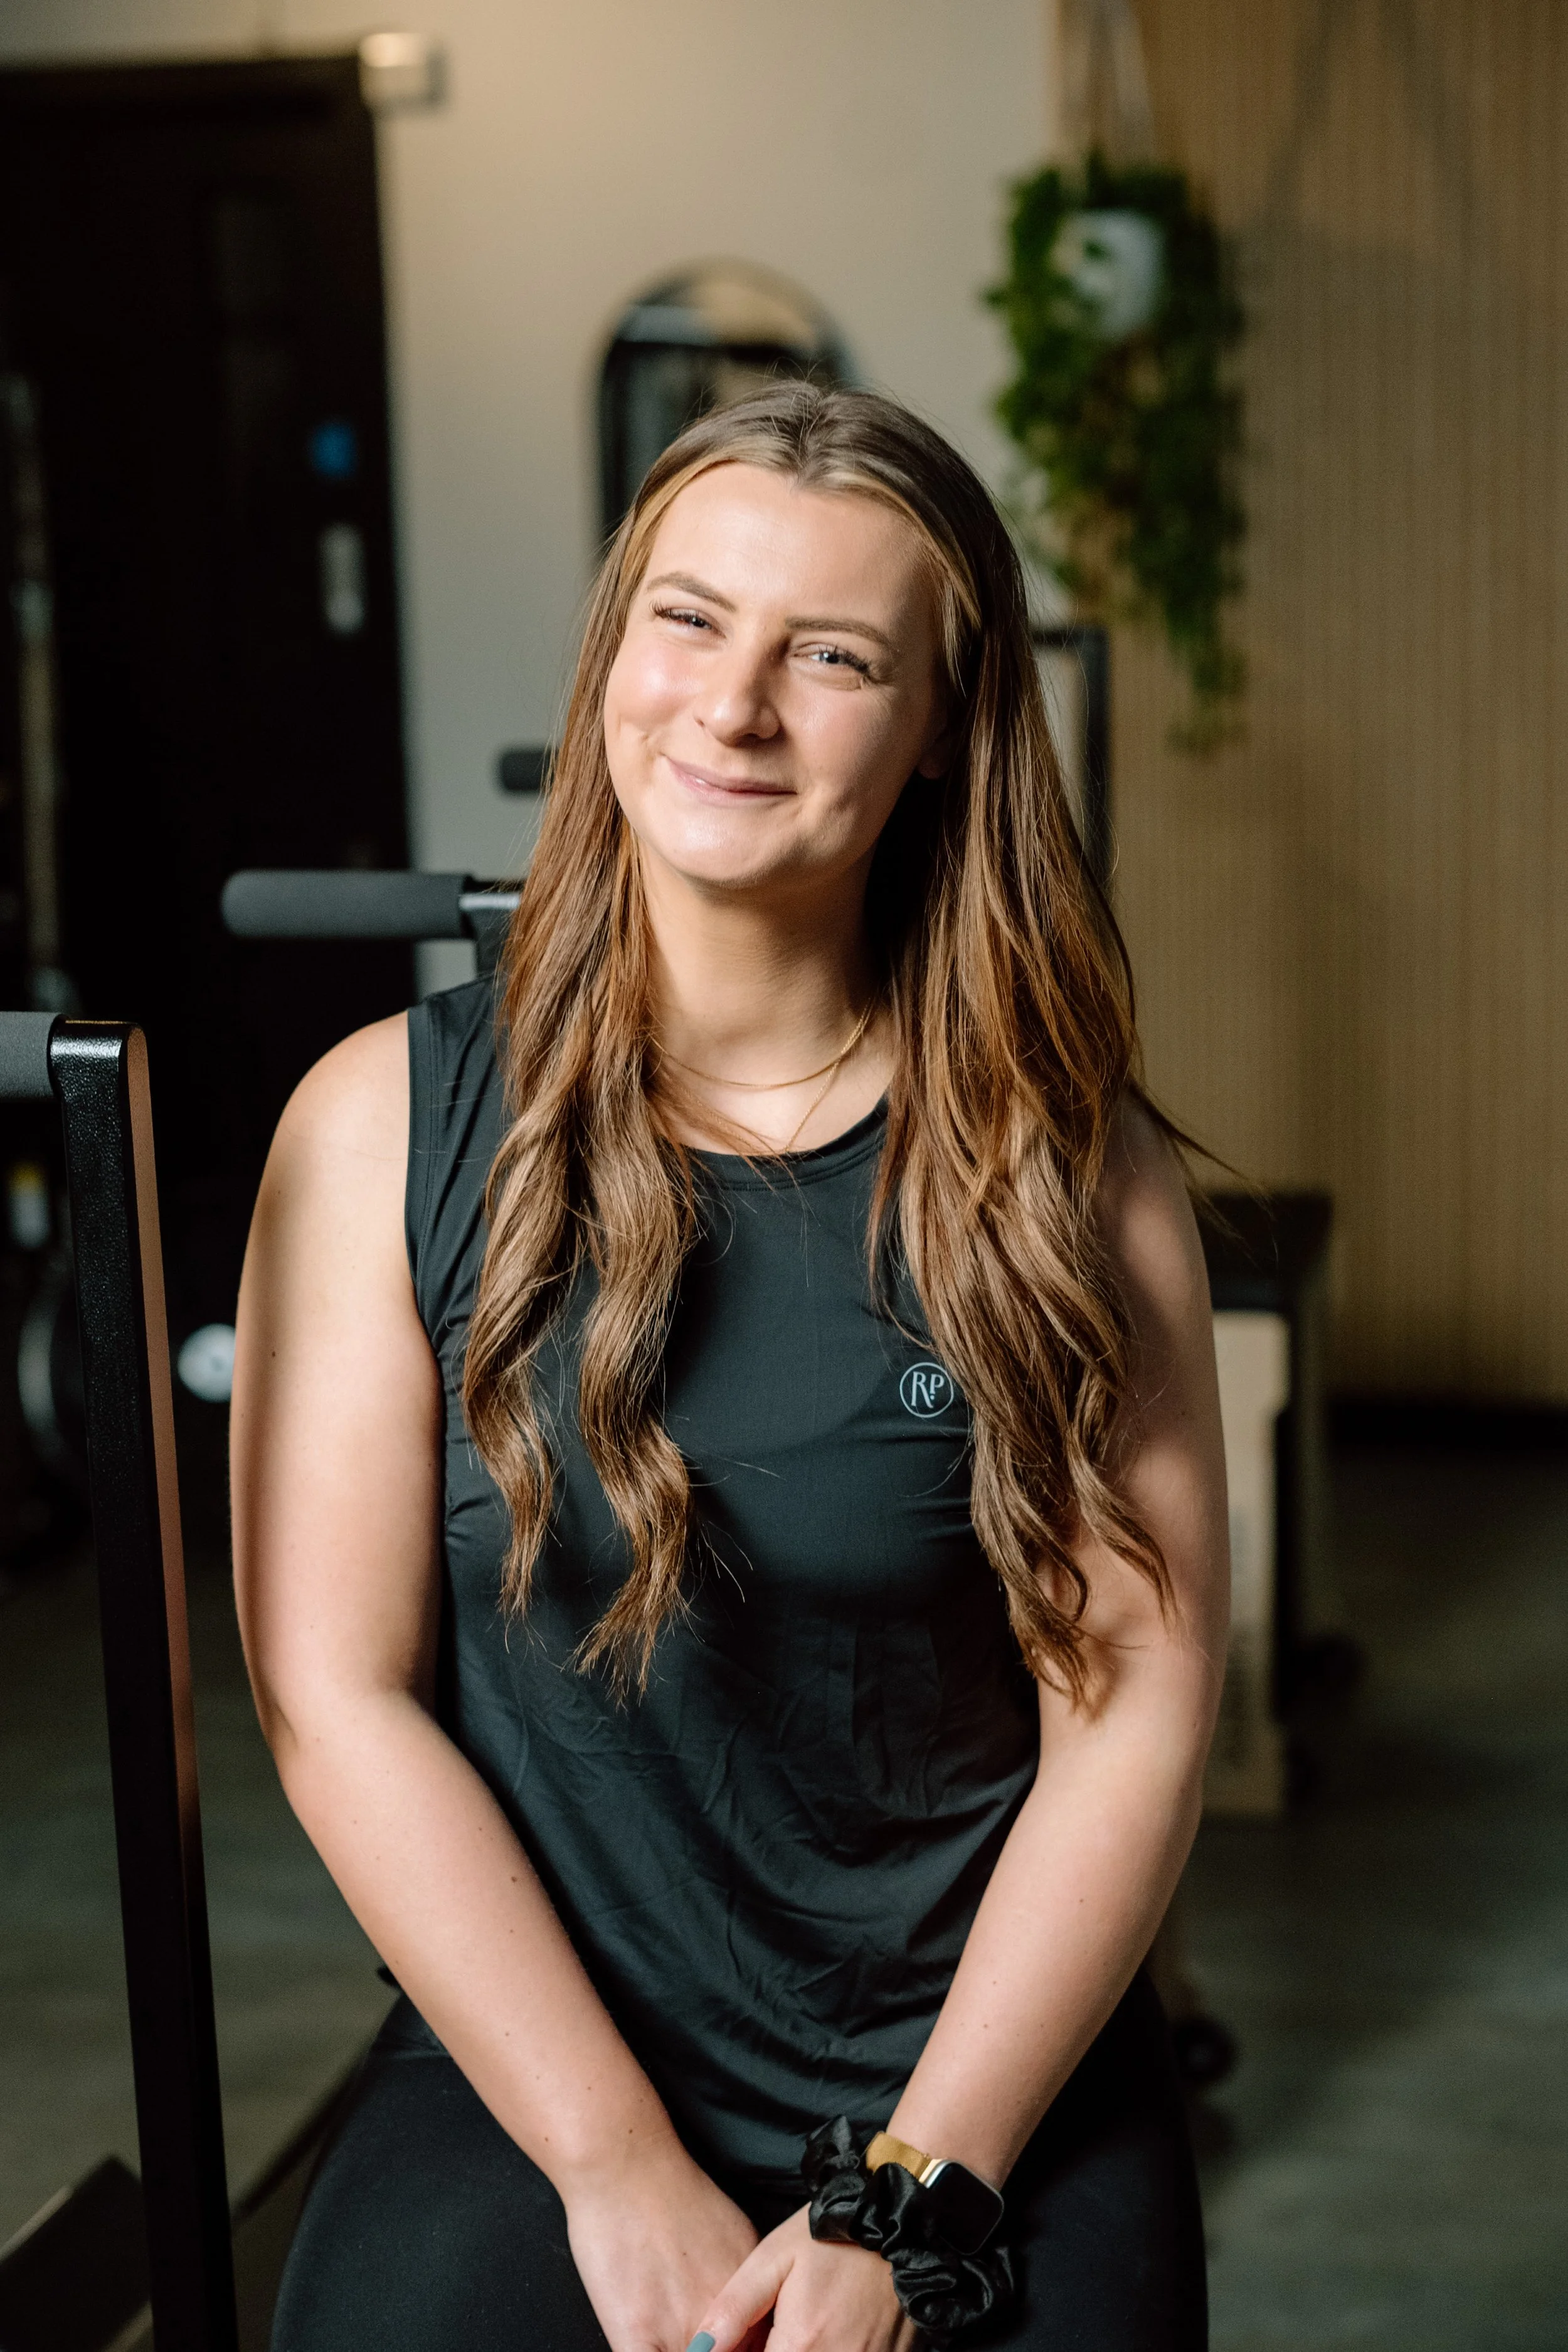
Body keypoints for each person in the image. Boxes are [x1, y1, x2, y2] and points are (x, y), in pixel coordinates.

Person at [231, 384, 1229, 2352]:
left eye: (832, 655)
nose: (732, 703)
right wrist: (612, 2169)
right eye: (686, 619)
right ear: (615, 647)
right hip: (545, 2053)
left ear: (942, 726)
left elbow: (1138, 1705)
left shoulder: (1063, 1171)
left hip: (976, 2077)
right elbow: (330, 1691)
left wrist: (911, 2197)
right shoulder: (378, 1127)